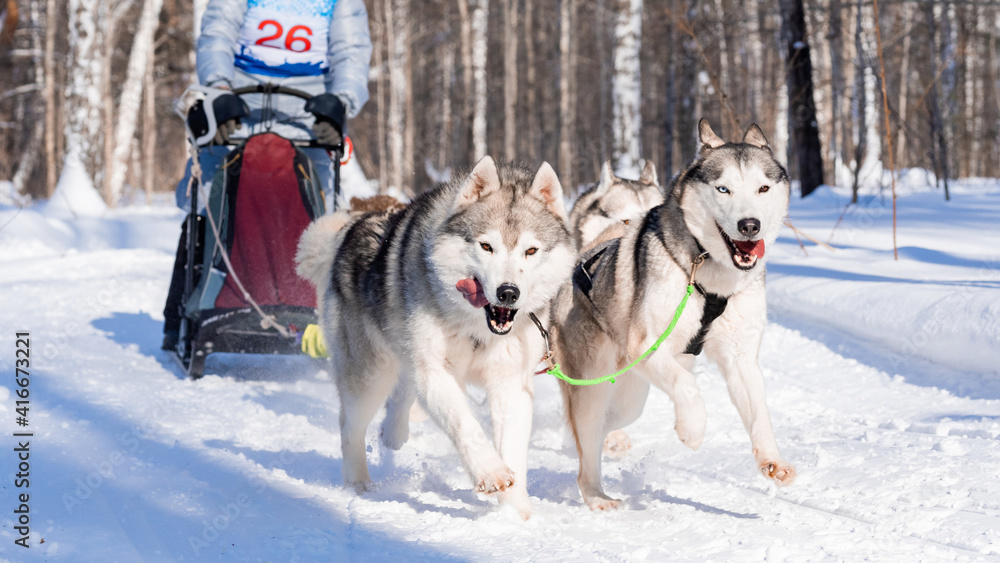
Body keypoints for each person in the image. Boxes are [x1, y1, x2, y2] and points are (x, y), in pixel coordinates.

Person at [162, 0, 372, 351]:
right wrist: (219, 88)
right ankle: (184, 312)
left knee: (323, 202)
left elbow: (351, 51)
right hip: (239, 93)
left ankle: (319, 310)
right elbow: (217, 33)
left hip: (310, 101)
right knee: (207, 193)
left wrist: (342, 102)